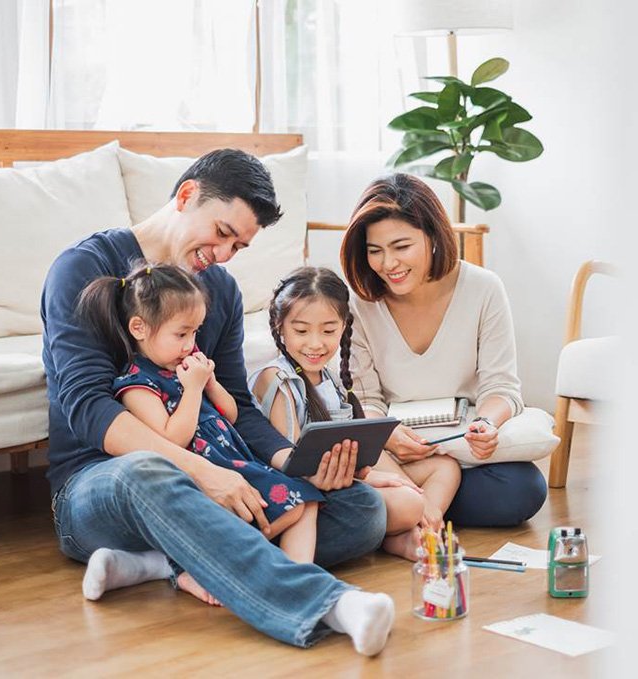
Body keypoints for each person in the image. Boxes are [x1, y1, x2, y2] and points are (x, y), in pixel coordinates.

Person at [42, 148, 394, 655]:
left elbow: (241, 408)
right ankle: (332, 605)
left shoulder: (220, 291)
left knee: (360, 509)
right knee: (147, 472)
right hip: (101, 487)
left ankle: (163, 562)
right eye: (223, 233)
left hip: (209, 469)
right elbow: (87, 406)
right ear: (187, 196)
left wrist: (294, 464)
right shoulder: (82, 268)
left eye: (240, 245)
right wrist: (202, 473)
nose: (225, 254)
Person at [77, 261, 323, 585]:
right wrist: (192, 388)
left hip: (235, 463)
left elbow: (231, 415)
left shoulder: (188, 368)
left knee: (306, 502)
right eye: (181, 333)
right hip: (198, 478)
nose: (190, 344)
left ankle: (298, 579)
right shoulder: (137, 385)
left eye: (194, 332)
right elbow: (173, 439)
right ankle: (204, 567)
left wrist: (209, 383)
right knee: (290, 508)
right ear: (139, 328)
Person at [339, 173, 549, 527]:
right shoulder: (359, 304)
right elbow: (364, 400)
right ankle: (420, 503)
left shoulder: (484, 288)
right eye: (375, 251)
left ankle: (407, 508)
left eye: (401, 246)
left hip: (460, 443)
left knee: (522, 489)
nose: (388, 264)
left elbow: (501, 388)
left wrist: (486, 423)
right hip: (396, 450)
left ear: (433, 236)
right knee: (354, 465)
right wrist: (388, 435)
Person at [250, 266, 460, 559]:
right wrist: (372, 480)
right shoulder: (276, 379)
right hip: (310, 489)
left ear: (343, 327)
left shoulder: (331, 379)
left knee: (445, 467)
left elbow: (357, 447)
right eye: (301, 331)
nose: (315, 343)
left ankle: (422, 528)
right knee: (406, 502)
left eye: (328, 330)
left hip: (348, 476)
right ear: (279, 326)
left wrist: (378, 476)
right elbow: (295, 466)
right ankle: (406, 529)